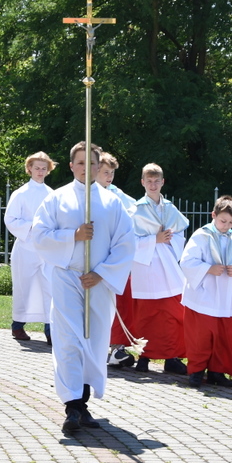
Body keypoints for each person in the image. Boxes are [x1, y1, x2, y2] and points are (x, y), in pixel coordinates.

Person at [32, 142, 136, 436]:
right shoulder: (56, 200)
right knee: (68, 341)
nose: (85, 168)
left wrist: (102, 273)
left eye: (91, 163)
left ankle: (84, 401)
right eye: (79, 163)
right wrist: (73, 236)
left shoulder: (111, 202)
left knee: (93, 340)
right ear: (71, 166)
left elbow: (126, 243)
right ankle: (72, 405)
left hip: (98, 282)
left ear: (98, 166)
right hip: (67, 278)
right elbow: (39, 235)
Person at [179, 196, 232, 387]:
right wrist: (208, 269)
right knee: (200, 335)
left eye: (230, 222)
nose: (226, 225)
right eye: (223, 221)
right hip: (205, 293)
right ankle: (196, 371)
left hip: (227, 294)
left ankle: (217, 371)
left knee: (223, 334)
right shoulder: (202, 236)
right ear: (214, 215)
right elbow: (187, 261)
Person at [127, 163, 189, 375]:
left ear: (163, 182)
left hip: (167, 265)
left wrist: (168, 241)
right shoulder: (135, 209)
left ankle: (172, 357)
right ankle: (144, 357)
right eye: (149, 181)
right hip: (145, 266)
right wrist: (154, 239)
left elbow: (180, 234)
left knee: (172, 313)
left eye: (157, 181)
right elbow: (128, 241)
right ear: (142, 182)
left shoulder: (170, 208)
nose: (153, 185)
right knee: (146, 314)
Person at [3, 152, 54, 342]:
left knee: (49, 288)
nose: (40, 172)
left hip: (47, 250)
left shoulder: (52, 194)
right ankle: (17, 326)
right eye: (37, 168)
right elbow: (10, 219)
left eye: (43, 168)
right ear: (29, 169)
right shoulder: (21, 193)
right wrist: (31, 225)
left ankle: (50, 331)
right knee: (24, 288)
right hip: (25, 247)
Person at [96, 152, 137, 365]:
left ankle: (117, 347)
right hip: (96, 257)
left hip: (116, 255)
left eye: (112, 173)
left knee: (121, 301)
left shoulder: (116, 193)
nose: (109, 177)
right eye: (105, 172)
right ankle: (96, 348)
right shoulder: (88, 194)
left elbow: (133, 211)